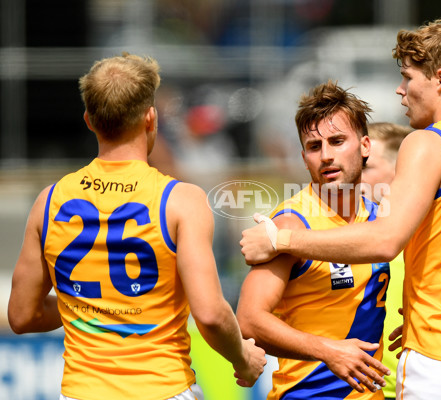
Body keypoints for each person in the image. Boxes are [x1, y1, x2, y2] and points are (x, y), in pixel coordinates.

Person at [240, 10, 441, 400]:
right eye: (313, 145)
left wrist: (280, 240)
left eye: (408, 77)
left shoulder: (428, 142)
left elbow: (386, 241)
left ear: (440, 79)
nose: (400, 90)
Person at [7, 52, 266, 400]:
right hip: (162, 389)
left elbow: (22, 316)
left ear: (88, 119)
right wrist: (243, 358)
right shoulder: (180, 200)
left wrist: (88, 306)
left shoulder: (49, 201)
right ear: (150, 118)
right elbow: (210, 314)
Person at [236, 80, 391, 399]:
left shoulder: (382, 217)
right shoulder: (291, 222)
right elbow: (249, 320)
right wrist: (328, 351)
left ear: (364, 147)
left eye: (337, 141)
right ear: (304, 156)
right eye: (314, 146)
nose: (326, 156)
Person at [361, 122, 411, 400]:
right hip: (357, 390)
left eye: (366, 166)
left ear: (404, 171)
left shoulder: (434, 235)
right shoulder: (331, 232)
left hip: (418, 386)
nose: (353, 173)